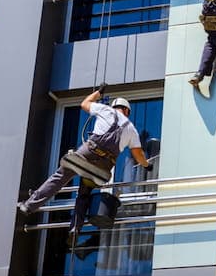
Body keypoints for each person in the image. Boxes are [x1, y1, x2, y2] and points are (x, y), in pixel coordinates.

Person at [17, 87, 151, 239]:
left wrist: (99, 92)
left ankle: (29, 205)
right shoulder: (132, 130)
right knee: (85, 190)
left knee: (60, 176)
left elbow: (85, 103)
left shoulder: (105, 110)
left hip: (89, 152)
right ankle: (75, 228)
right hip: (105, 165)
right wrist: (147, 165)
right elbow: (138, 154)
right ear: (127, 111)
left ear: (114, 107)